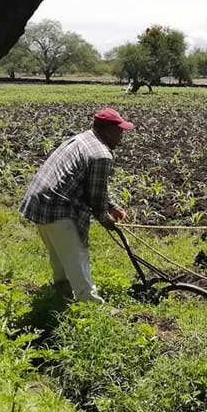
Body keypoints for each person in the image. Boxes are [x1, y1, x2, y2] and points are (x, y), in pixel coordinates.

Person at [20, 107, 133, 303]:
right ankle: (89, 305)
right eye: (119, 131)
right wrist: (107, 220)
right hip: (58, 208)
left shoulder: (83, 139)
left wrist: (112, 206)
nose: (122, 135)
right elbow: (96, 199)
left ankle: (62, 295)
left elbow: (90, 185)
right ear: (107, 131)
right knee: (77, 257)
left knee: (60, 256)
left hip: (39, 203)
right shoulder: (101, 155)